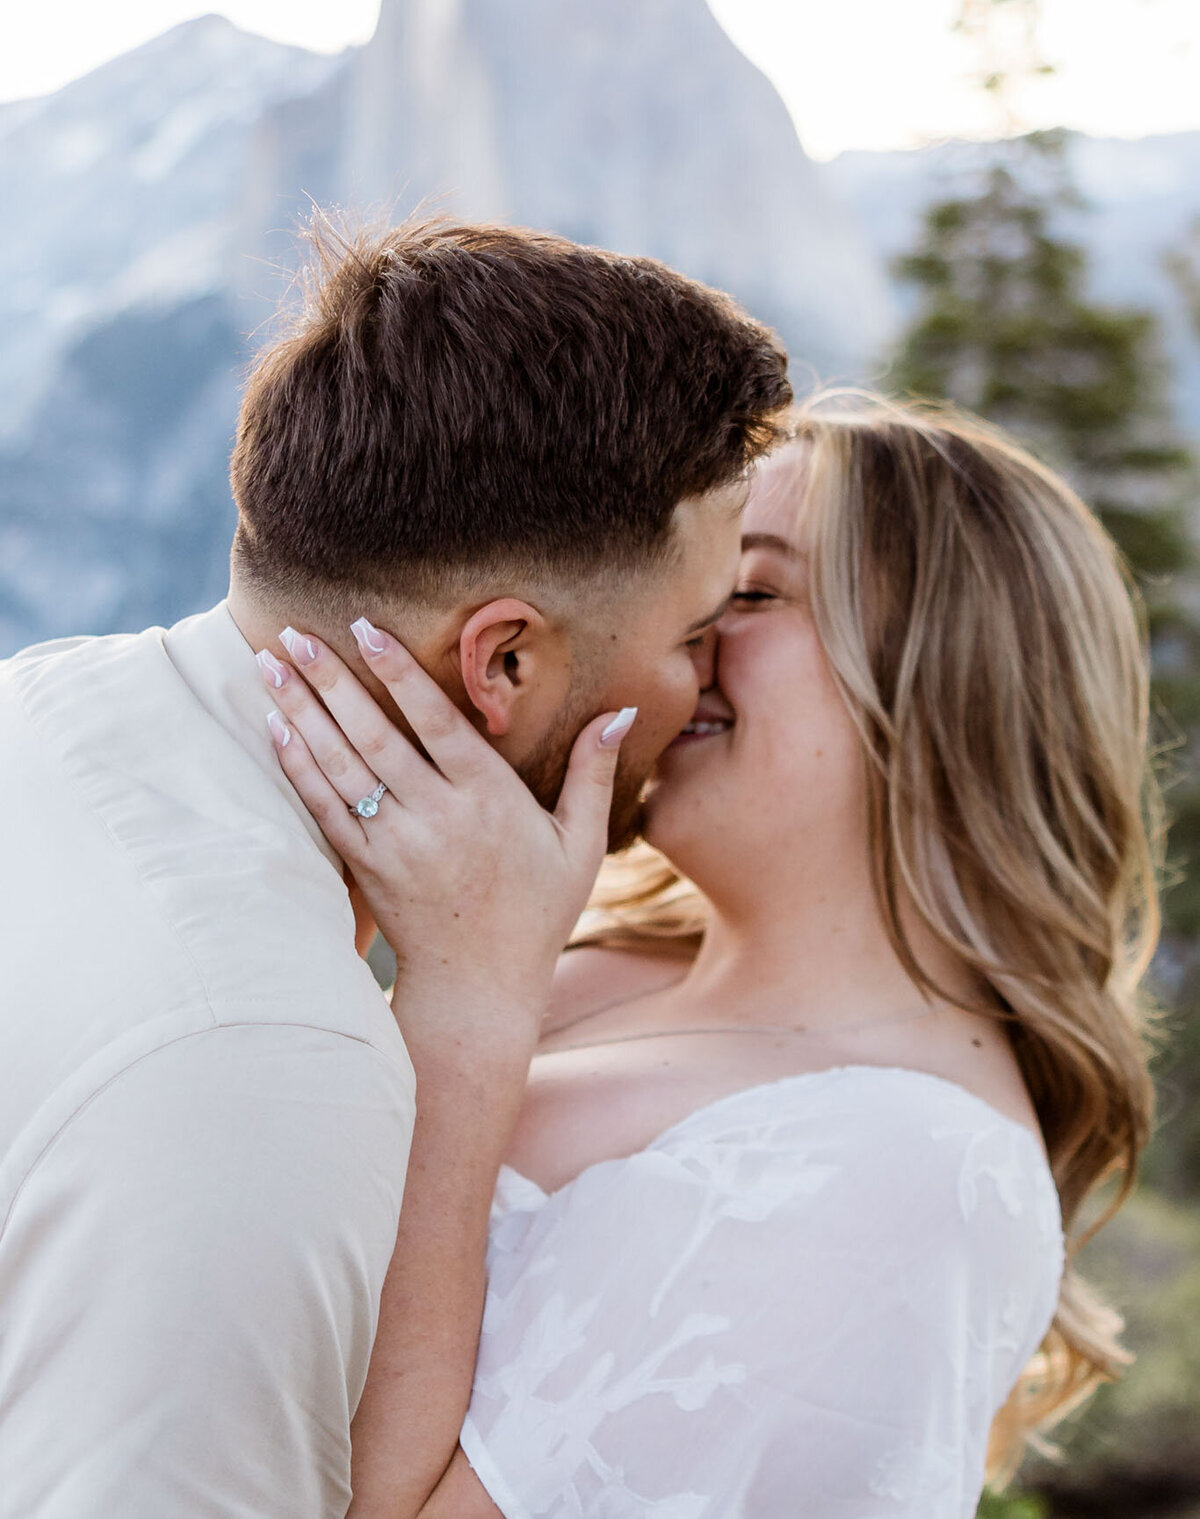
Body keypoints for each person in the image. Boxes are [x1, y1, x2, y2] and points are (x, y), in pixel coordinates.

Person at [0, 217, 790, 1516]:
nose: (712, 681)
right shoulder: (255, 1057)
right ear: (505, 664)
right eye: (697, 631)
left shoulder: (40, 710)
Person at [268, 392, 1159, 1517]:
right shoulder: (609, 954)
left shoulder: (900, 1176)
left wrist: (466, 998)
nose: (677, 625)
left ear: (954, 674)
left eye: (751, 589)